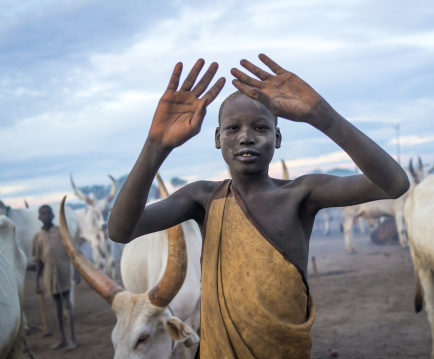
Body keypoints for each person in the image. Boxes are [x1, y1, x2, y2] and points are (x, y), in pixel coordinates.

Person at [108, 54, 410, 358]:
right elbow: (120, 230)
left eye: (261, 128)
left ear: (277, 137)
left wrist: (322, 115)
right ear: (218, 138)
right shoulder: (201, 199)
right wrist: (156, 144)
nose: (246, 137)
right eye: (233, 128)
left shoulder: (302, 193)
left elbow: (395, 184)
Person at [33, 205, 79, 351]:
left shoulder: (61, 232)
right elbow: (39, 262)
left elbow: (72, 253)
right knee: (57, 309)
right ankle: (63, 339)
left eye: (48, 213)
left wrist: (77, 271)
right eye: (43, 213)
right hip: (49, 278)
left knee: (68, 307)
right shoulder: (37, 238)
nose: (45, 215)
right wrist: (36, 281)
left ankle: (73, 339)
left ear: (53, 216)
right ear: (39, 217)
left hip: (64, 274)